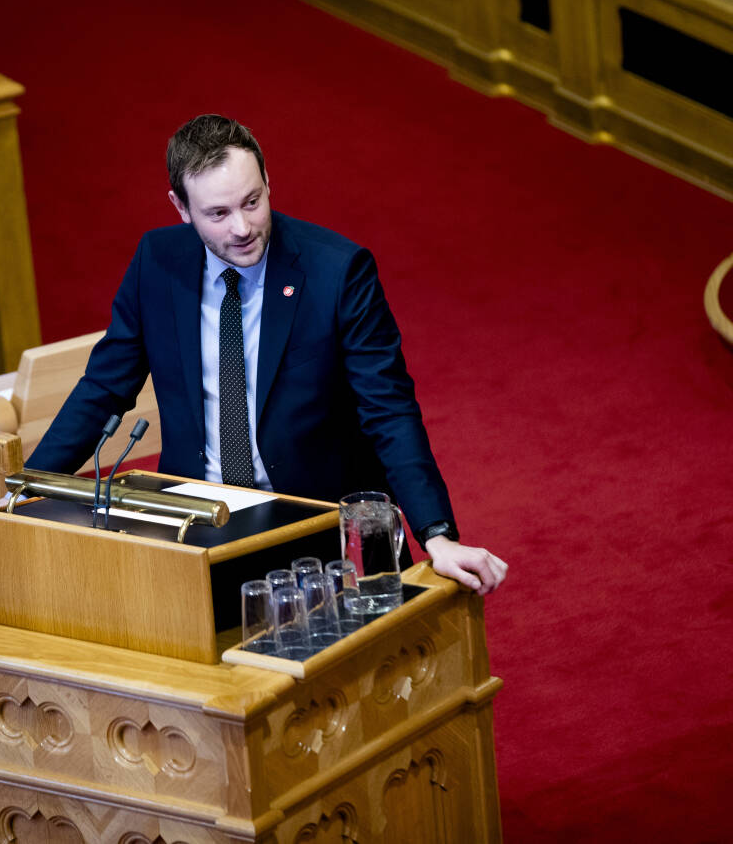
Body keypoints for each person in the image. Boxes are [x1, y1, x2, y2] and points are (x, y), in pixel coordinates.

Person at [27, 114, 506, 594]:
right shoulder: (157, 260)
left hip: (319, 530)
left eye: (252, 202)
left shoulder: (337, 271)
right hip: (197, 525)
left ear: (268, 182)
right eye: (217, 214)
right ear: (181, 207)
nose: (242, 228)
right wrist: (28, 491)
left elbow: (389, 408)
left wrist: (436, 535)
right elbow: (105, 387)